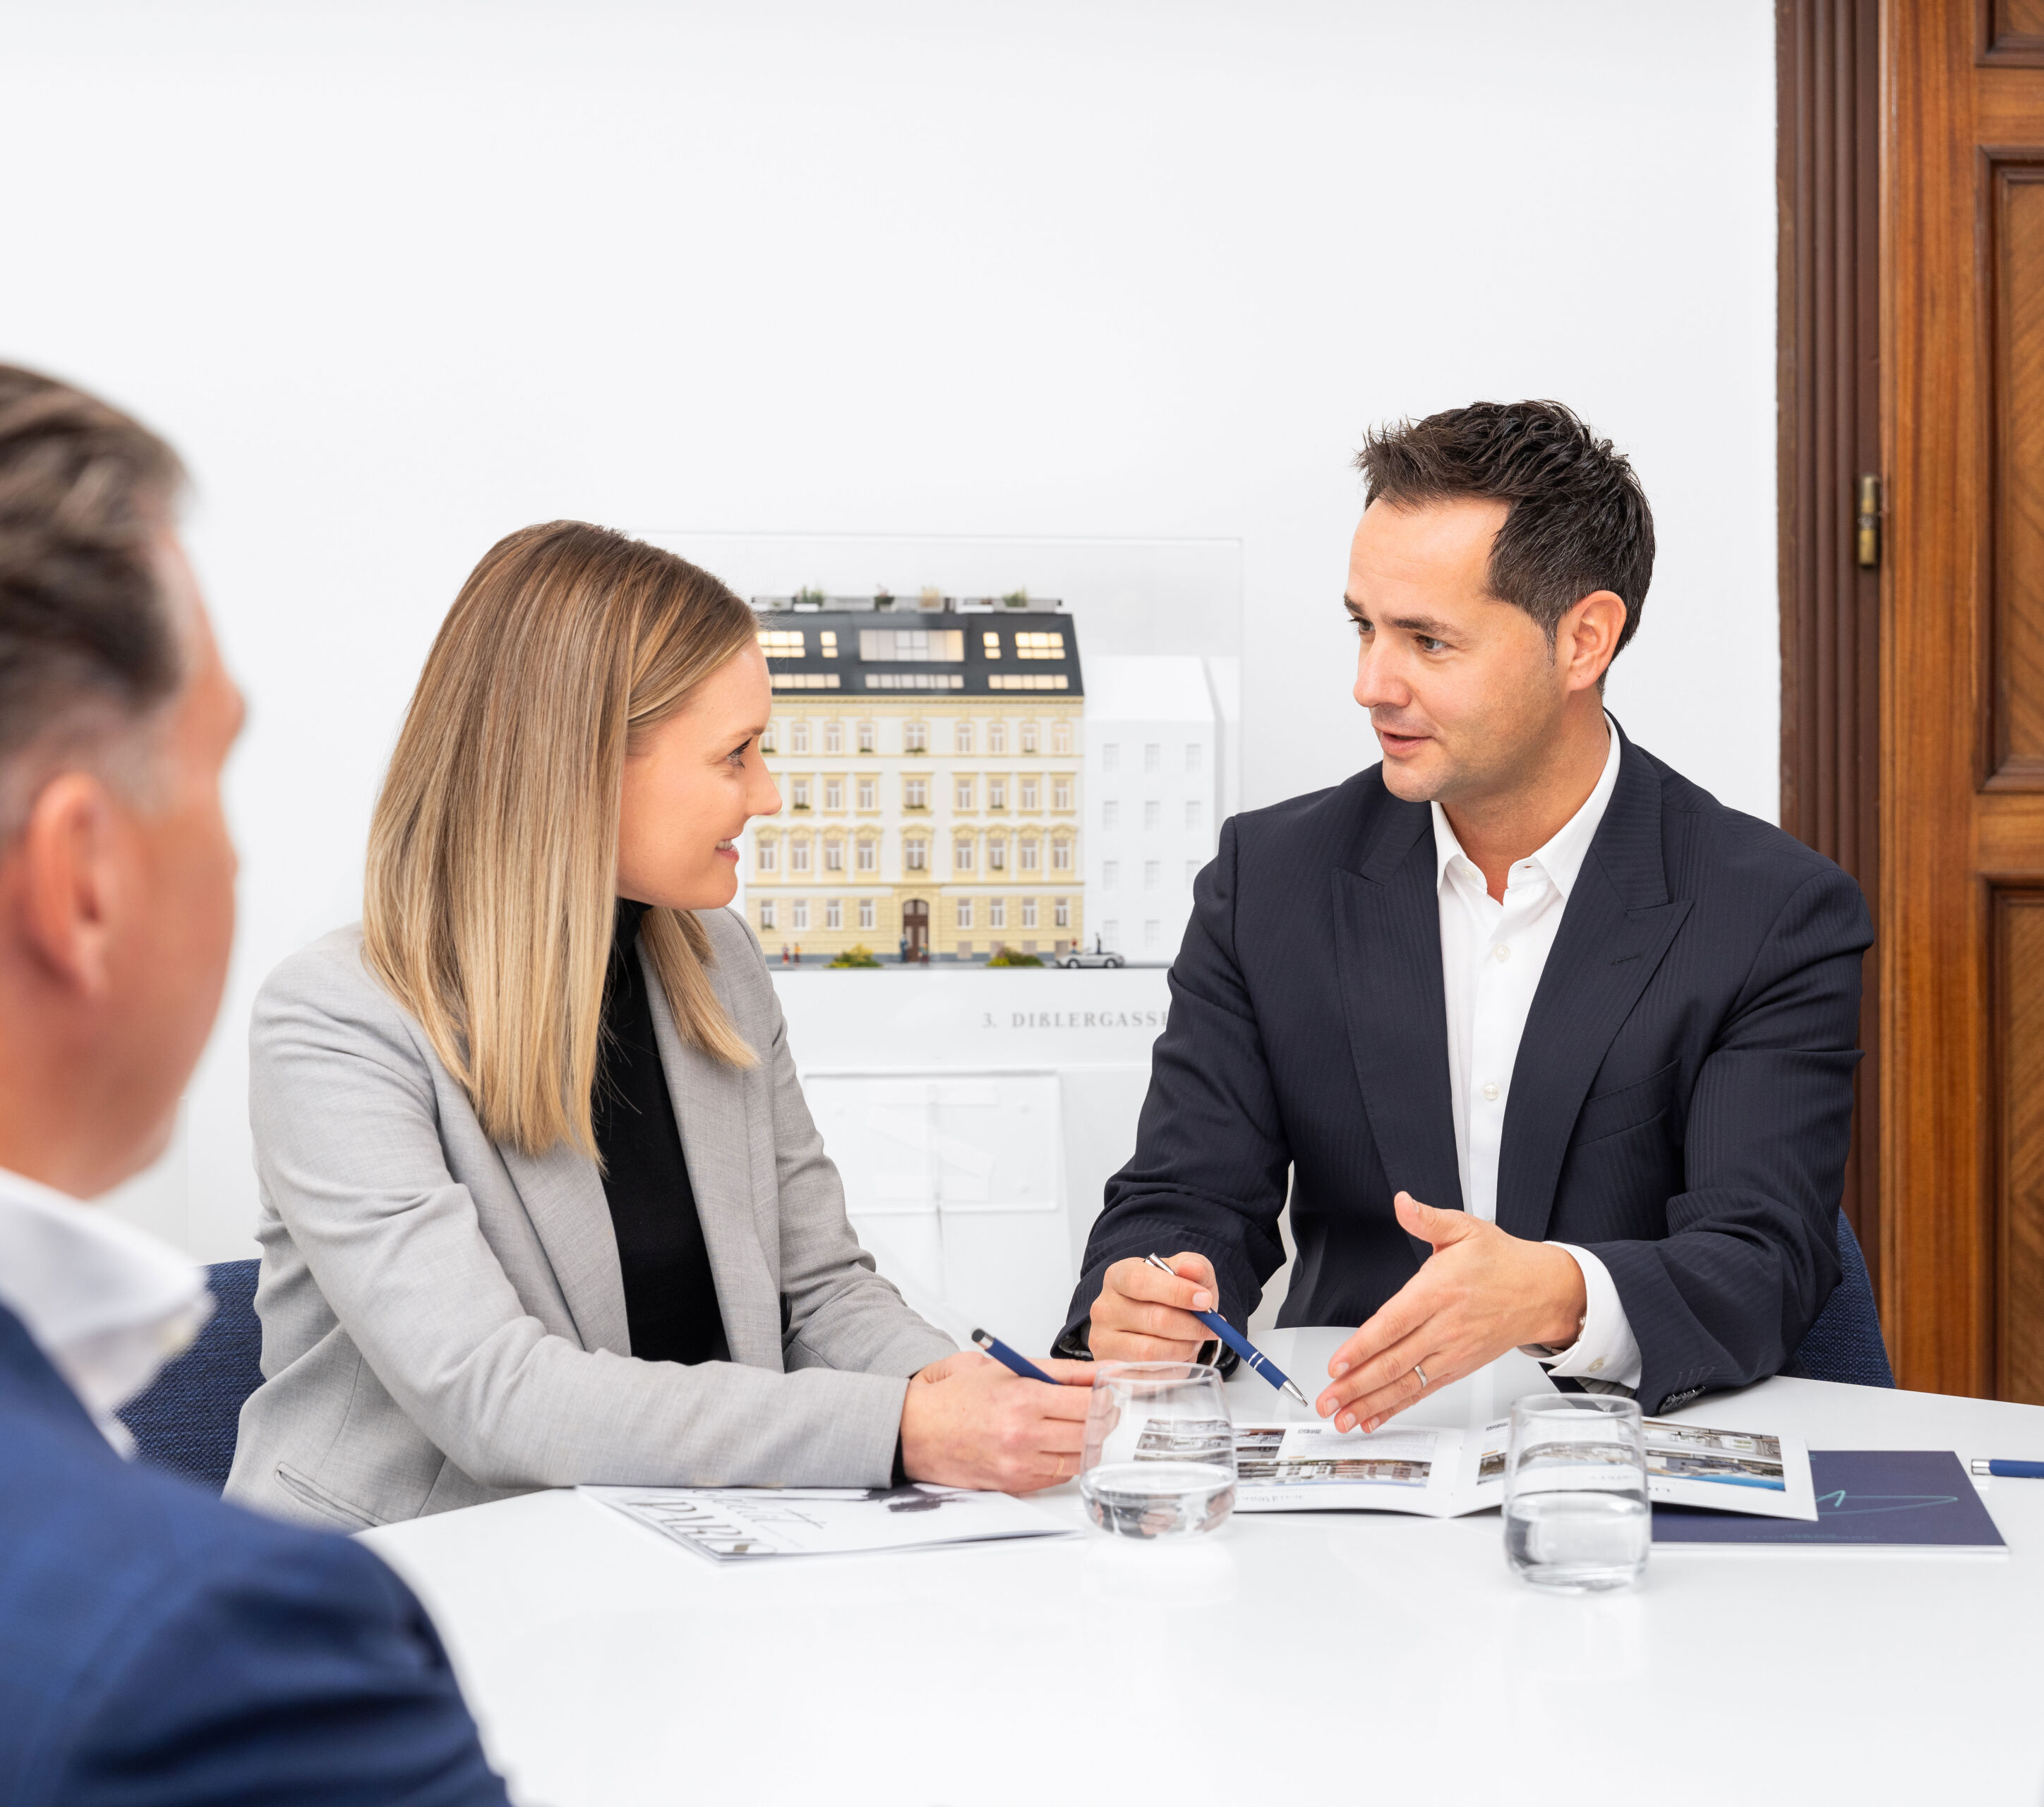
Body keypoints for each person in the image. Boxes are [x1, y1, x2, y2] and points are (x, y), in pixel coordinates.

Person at [229, 522, 1092, 1529]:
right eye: (735, 756)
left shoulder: (717, 965)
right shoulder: (336, 1022)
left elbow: (819, 1297)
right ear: (584, 766)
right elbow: (495, 1398)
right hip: (407, 1571)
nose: (768, 797)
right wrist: (902, 1428)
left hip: (673, 1552)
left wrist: (982, 1401)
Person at [1060, 401, 1870, 1425]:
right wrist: (1154, 1295)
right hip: (1354, 1448)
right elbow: (1185, 1198)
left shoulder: (1770, 910)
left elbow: (1764, 1259)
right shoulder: (1268, 882)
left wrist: (1559, 1292)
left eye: (1428, 641)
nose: (1370, 684)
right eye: (1364, 627)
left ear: (1584, 640)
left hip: (1635, 1454)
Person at [0, 365, 507, 1801]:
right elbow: (490, 1382)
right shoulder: (219, 1657)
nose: (231, 853)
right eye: (217, 769)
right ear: (82, 879)